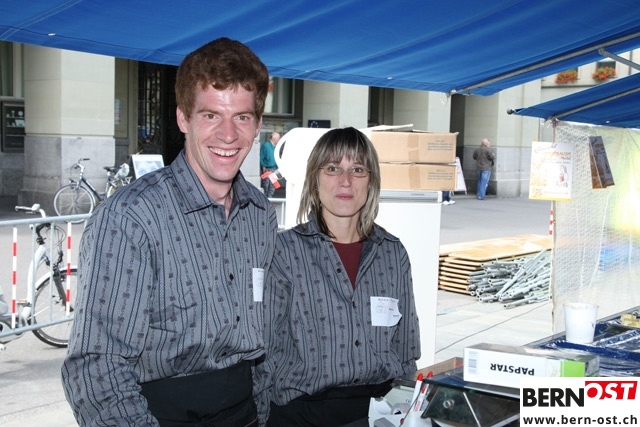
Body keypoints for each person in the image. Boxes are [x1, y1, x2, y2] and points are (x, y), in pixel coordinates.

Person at [61, 37, 278, 427]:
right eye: (211, 115)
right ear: (183, 119)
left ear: (258, 124)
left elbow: (262, 346)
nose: (228, 134)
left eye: (242, 117)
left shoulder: (260, 216)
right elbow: (97, 366)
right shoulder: (131, 217)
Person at [254, 127, 421, 427]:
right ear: (315, 179)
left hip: (380, 412)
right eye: (332, 168)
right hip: (303, 415)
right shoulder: (284, 252)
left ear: (371, 181)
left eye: (357, 169)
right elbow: (265, 353)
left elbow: (406, 351)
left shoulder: (392, 253)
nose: (346, 181)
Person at [260, 131, 280, 197]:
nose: (279, 140)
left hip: (274, 169)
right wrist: (263, 166)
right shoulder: (266, 145)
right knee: (266, 185)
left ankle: (270, 198)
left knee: (272, 186)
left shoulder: (275, 147)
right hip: (267, 169)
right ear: (274, 138)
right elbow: (261, 156)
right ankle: (265, 199)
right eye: (278, 138)